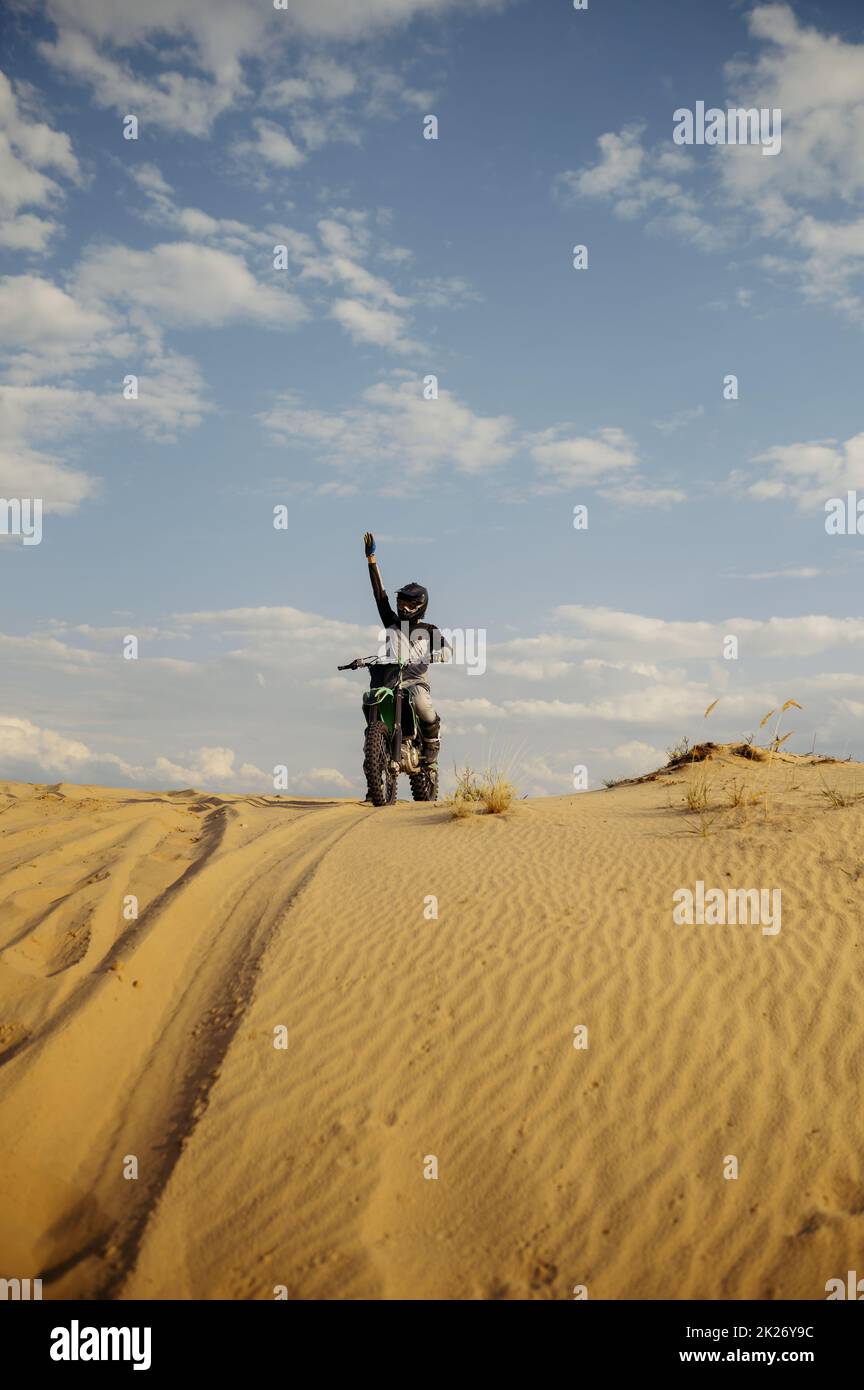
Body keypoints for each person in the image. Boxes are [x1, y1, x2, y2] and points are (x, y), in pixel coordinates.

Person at [363, 531, 450, 764]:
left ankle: (432, 740)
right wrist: (371, 560)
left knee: (422, 703)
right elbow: (379, 595)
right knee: (371, 708)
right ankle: (373, 767)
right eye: (401, 602)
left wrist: (439, 654)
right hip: (389, 680)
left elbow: (447, 649)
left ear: (420, 605)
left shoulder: (430, 629)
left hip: (415, 682)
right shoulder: (391, 622)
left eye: (409, 604)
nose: (403, 608)